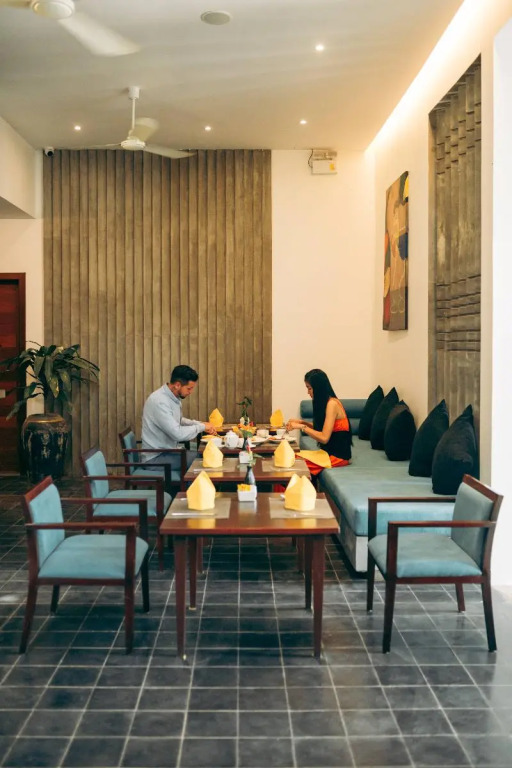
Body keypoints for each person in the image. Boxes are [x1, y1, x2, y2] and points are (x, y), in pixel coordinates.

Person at [141, 364, 216, 469]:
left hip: (168, 452)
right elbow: (177, 434)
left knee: (205, 456)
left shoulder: (173, 397)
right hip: (156, 458)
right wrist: (201, 427)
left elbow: (179, 420)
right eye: (189, 388)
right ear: (177, 385)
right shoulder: (160, 402)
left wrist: (199, 424)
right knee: (202, 459)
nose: (190, 392)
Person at [286, 368, 351, 475]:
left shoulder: (332, 404)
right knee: (290, 456)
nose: (308, 392)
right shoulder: (326, 402)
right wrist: (302, 423)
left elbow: (324, 438)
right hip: (327, 454)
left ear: (318, 388)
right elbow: (322, 427)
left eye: (309, 388)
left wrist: (302, 427)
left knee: (292, 462)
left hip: (337, 457)